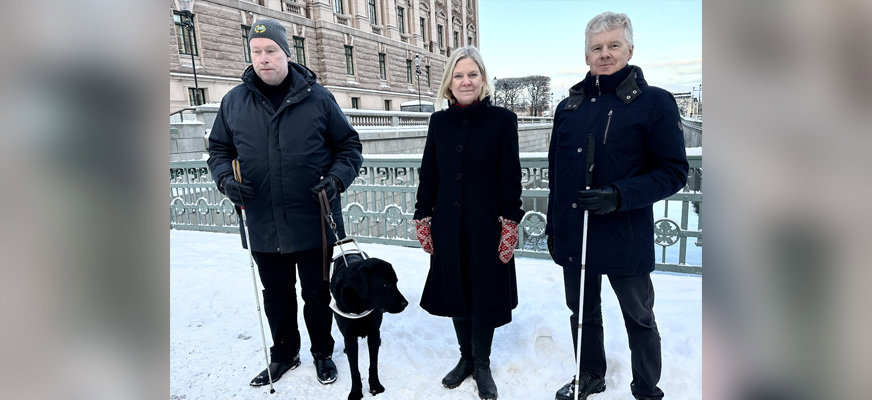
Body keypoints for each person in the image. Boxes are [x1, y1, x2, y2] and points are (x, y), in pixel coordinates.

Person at [207, 19, 362, 387]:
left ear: (287, 54)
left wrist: (337, 179)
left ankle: (322, 352)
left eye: (271, 51)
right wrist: (226, 181)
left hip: (313, 219)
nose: (264, 59)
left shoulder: (319, 98)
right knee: (276, 295)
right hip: (262, 221)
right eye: (257, 52)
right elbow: (218, 151)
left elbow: (349, 147)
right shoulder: (233, 102)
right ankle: (284, 353)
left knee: (316, 294)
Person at [545, 12, 689, 400]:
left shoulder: (654, 103)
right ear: (586, 55)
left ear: (629, 49)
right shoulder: (568, 108)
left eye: (613, 45)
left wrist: (620, 195)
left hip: (624, 233)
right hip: (578, 233)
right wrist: (553, 229)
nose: (604, 53)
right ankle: (589, 373)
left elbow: (674, 172)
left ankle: (646, 387)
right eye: (597, 47)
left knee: (639, 317)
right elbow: (557, 177)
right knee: (583, 314)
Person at [412, 46, 523, 400]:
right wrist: (422, 214)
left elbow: (511, 175)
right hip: (447, 221)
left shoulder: (503, 120)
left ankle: (482, 363)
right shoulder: (439, 122)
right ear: (448, 82)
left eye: (472, 74)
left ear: (483, 79)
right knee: (456, 289)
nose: (465, 81)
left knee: (484, 293)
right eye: (458, 75)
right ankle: (465, 358)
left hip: (487, 223)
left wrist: (510, 221)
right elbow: (429, 171)